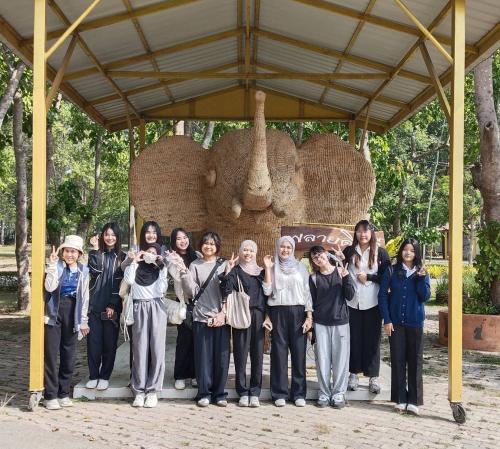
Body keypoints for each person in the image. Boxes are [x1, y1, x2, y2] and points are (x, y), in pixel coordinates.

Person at [171, 231, 229, 407]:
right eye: (206, 243)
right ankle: (204, 393)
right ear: (201, 246)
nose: (208, 246)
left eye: (212, 243)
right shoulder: (195, 265)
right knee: (203, 357)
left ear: (217, 246)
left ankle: (219, 393)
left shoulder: (224, 264)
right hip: (201, 317)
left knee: (221, 358)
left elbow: (229, 292)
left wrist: (223, 313)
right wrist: (184, 271)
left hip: (221, 317)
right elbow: (192, 292)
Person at [378, 238, 430, 416]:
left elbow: (425, 296)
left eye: (412, 250)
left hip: (415, 323)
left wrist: (421, 279)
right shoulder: (392, 270)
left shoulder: (422, 271)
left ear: (416, 253)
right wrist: (387, 320)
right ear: (401, 251)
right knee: (398, 360)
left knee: (415, 361)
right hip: (395, 324)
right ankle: (400, 398)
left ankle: (414, 401)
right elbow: (382, 296)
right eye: (405, 249)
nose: (408, 253)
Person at [262, 236, 313, 407]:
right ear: (278, 248)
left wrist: (309, 316)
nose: (285, 250)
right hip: (278, 312)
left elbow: (307, 293)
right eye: (282, 247)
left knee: (299, 354)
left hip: (298, 312)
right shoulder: (272, 267)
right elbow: (267, 291)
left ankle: (299, 393)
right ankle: (279, 393)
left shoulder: (301, 268)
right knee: (279, 354)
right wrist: (268, 269)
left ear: (293, 249)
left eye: (288, 247)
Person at [343, 220, 390, 394]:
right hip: (352, 303)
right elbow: (341, 271)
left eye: (366, 231)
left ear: (371, 233)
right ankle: (353, 374)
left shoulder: (381, 253)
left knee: (373, 340)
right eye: (359, 231)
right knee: (354, 339)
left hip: (373, 303)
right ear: (355, 233)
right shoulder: (349, 251)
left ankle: (373, 377)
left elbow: (387, 278)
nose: (363, 234)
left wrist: (369, 277)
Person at [43, 235, 90, 410]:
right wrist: (52, 265)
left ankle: (63, 393)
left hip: (73, 313)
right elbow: (49, 287)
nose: (70, 254)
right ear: (63, 252)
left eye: (73, 252)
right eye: (67, 251)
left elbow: (85, 297)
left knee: (68, 355)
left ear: (79, 254)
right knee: (51, 355)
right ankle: (50, 395)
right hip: (54, 313)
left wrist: (83, 321)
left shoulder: (83, 271)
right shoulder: (56, 266)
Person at [221, 240, 266, 408]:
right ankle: (242, 392)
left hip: (258, 316)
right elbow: (226, 290)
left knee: (257, 355)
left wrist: (268, 317)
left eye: (251, 250)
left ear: (256, 253)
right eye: (245, 250)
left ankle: (255, 392)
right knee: (240, 354)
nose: (248, 253)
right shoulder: (236, 270)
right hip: (241, 315)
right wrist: (228, 270)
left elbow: (268, 295)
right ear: (240, 252)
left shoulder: (261, 272)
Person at [308, 245, 355, 408]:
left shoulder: (341, 271)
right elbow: (310, 302)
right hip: (321, 323)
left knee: (341, 359)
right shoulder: (313, 278)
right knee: (322, 359)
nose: (318, 258)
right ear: (313, 261)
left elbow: (350, 296)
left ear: (327, 254)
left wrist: (346, 278)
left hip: (340, 322)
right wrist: (311, 326)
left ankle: (338, 393)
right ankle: (324, 393)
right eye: (314, 257)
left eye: (320, 254)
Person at [123, 242, 168, 408]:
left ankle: (153, 391)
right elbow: (128, 280)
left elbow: (162, 289)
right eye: (148, 251)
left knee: (157, 350)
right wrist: (135, 260)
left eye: (154, 252)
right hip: (139, 306)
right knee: (139, 350)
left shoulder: (160, 269)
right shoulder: (135, 267)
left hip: (156, 307)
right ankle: (139, 391)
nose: (150, 254)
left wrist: (161, 266)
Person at [86, 223, 126, 391]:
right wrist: (95, 249)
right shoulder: (96, 254)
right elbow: (95, 271)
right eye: (107, 234)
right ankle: (93, 375)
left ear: (117, 237)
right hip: (94, 306)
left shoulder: (122, 257)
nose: (110, 238)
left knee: (109, 344)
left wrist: (112, 304)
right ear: (102, 236)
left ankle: (104, 376)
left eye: (113, 235)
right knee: (93, 344)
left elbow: (120, 283)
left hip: (112, 308)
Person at [121, 221, 163, 372]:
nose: (151, 235)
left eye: (154, 232)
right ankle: (136, 377)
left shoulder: (161, 255)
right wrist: (132, 260)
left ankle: (151, 377)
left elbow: (164, 283)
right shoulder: (135, 251)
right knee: (137, 344)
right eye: (148, 232)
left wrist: (162, 262)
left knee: (154, 344)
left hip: (155, 304)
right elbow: (124, 269)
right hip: (137, 304)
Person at [168, 228, 200, 391]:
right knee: (183, 341)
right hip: (184, 303)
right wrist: (178, 262)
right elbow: (176, 276)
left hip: (199, 304)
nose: (183, 241)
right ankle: (180, 375)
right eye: (179, 238)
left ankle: (194, 374)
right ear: (174, 242)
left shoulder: (197, 256)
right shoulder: (171, 258)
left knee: (197, 341)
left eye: (185, 237)